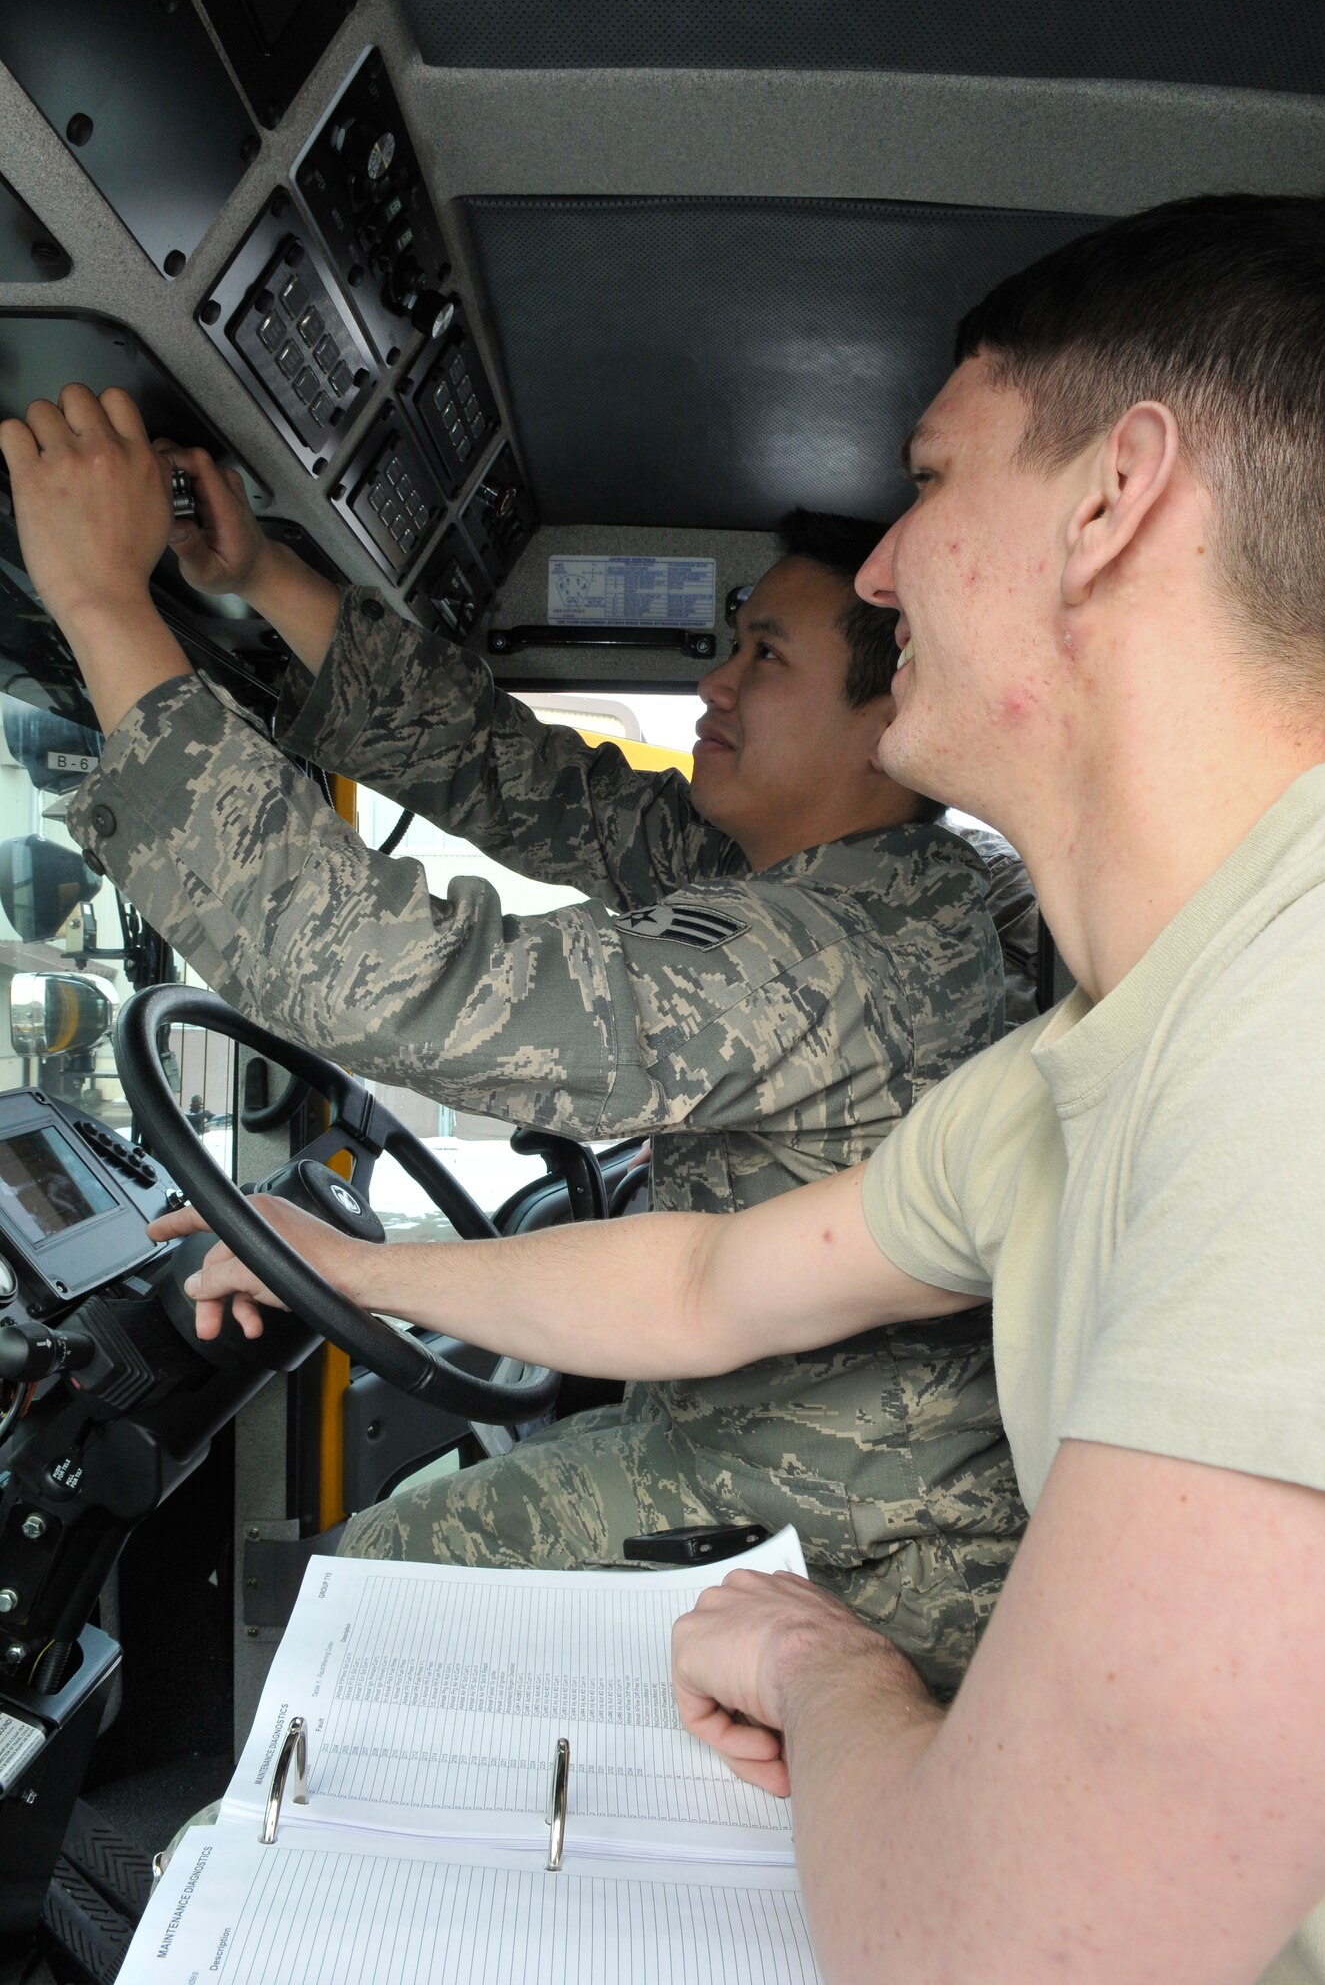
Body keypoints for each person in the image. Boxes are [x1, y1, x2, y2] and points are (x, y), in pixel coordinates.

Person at [144, 189, 1325, 1983]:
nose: (881, 561)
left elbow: (994, 1953)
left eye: (930, 483)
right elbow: (704, 1278)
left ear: (1110, 497)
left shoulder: (1280, 1041)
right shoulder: (1099, 1046)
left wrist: (102, 609)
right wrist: (353, 1266)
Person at [0, 402, 1036, 1689]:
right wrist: (261, 574)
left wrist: (103, 606)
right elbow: (529, 781)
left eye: (763, 656)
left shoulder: (820, 950)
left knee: (364, 1593)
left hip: (853, 1536)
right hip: (776, 1449)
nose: (714, 682)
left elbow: (405, 984)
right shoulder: (869, 870)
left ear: (887, 714)